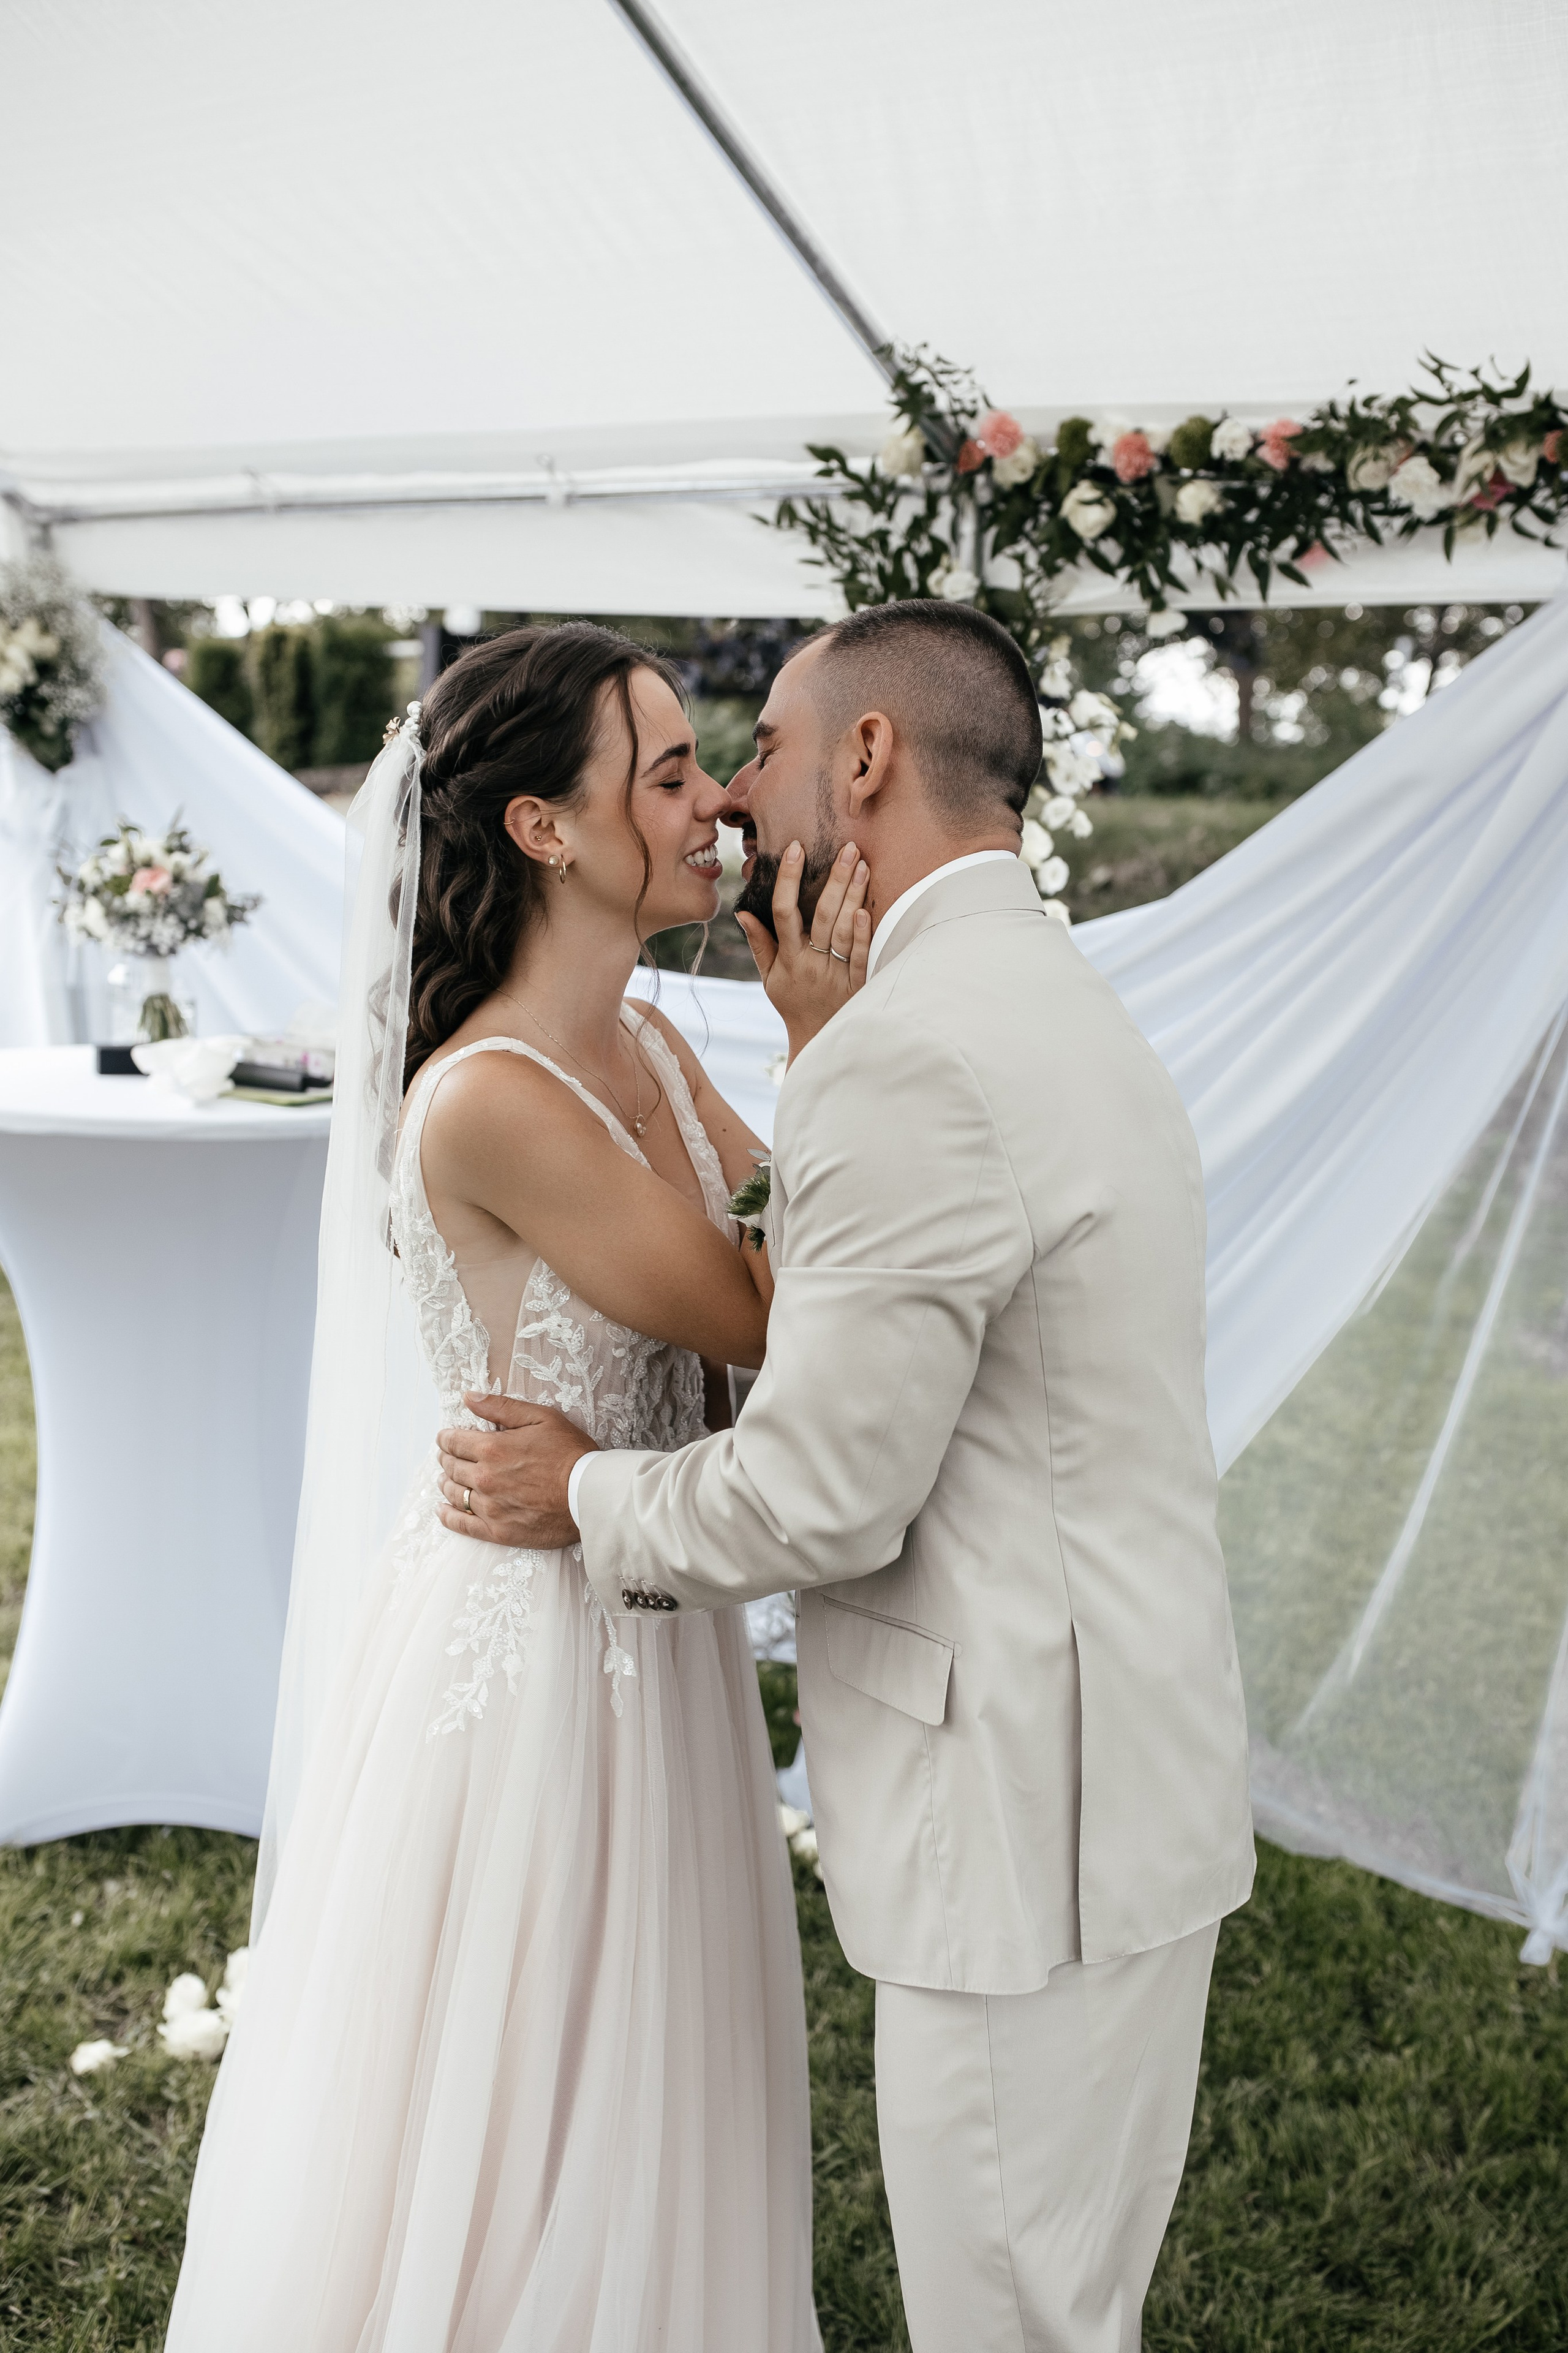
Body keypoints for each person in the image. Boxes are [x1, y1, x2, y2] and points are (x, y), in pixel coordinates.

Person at [435, 600, 1257, 2353]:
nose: (732, 795)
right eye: (686, 769)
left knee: (1012, 2324)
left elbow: (816, 1492)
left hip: (1025, 1829)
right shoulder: (1044, 993)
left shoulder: (908, 1050)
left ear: (867, 760)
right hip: (1118, 1779)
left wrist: (579, 1491)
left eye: (760, 751)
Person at [164, 624, 867, 2352]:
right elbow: (774, 1306)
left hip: (643, 1609)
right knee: (528, 2086)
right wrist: (830, 1045)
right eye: (674, 774)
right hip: (540, 1656)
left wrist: (797, 1060)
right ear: (546, 828)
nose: (717, 807)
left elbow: (823, 1258)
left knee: (650, 2067)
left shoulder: (651, 1051)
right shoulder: (492, 1096)